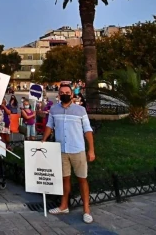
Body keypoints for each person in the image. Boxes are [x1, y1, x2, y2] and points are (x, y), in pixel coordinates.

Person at [42, 82, 95, 224]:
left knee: (82, 179)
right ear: (59, 95)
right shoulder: (54, 109)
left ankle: (86, 210)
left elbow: (88, 130)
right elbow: (49, 126)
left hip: (77, 150)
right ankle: (63, 206)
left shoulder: (80, 110)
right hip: (61, 150)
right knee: (65, 179)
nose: (65, 94)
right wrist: (43, 140)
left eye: (67, 92)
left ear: (72, 94)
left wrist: (91, 150)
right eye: (62, 93)